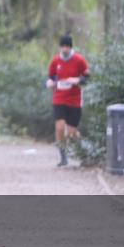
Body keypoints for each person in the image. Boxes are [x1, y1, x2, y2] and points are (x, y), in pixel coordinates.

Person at [45, 34, 90, 167]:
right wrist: (49, 83)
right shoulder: (56, 61)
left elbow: (87, 76)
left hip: (74, 100)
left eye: (67, 47)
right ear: (60, 47)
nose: (65, 49)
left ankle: (84, 151)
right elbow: (51, 77)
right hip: (59, 98)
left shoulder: (79, 60)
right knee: (59, 127)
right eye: (63, 46)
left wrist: (77, 80)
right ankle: (63, 156)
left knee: (71, 133)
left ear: (71, 47)